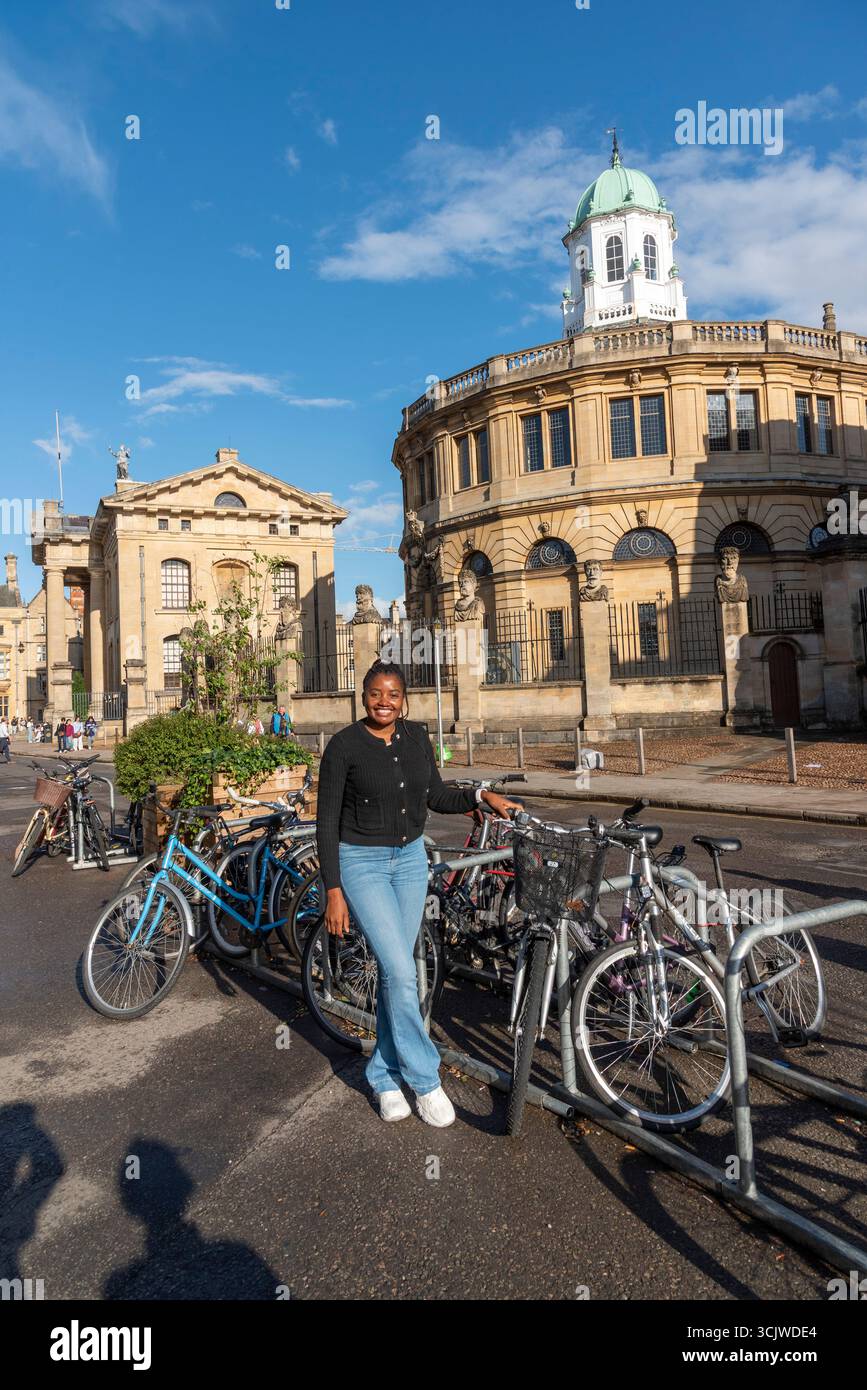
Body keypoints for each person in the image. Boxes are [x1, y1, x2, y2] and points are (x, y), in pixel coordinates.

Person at [317, 660, 522, 1127]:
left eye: (392, 694)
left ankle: (383, 1074)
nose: (383, 701)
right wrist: (333, 890)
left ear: (403, 699)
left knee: (397, 974)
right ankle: (427, 1081)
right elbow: (326, 823)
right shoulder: (344, 746)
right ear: (363, 695)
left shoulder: (415, 737)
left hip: (410, 862)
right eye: (375, 693)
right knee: (401, 970)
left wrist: (480, 797)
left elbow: (436, 795)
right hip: (361, 863)